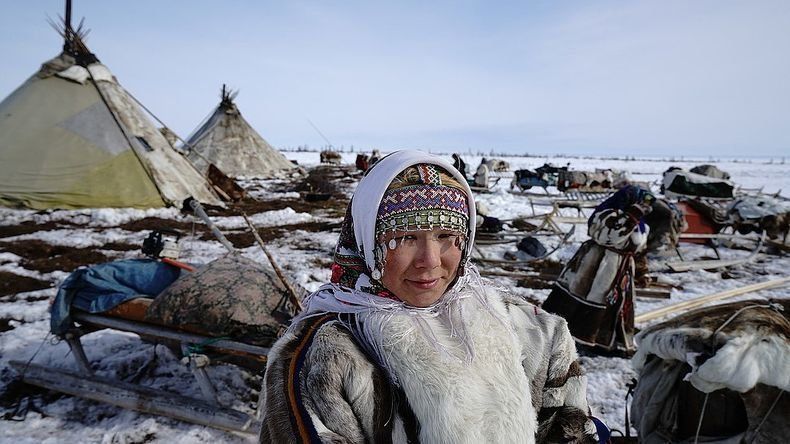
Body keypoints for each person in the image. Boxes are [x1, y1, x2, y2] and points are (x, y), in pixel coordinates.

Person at [259, 150, 603, 443]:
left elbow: (570, 428)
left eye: (445, 236)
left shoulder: (532, 332)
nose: (430, 262)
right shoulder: (325, 358)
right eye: (406, 238)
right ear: (367, 242)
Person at [541, 185, 654, 357]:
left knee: (615, 308)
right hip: (596, 266)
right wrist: (632, 215)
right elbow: (607, 237)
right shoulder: (606, 214)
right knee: (586, 302)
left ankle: (605, 344)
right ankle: (575, 339)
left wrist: (642, 272)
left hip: (621, 270)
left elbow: (639, 251)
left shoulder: (641, 225)